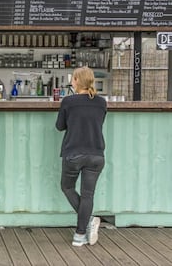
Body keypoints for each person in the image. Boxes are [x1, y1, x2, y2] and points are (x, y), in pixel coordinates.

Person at [55, 66, 107, 247]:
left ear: (78, 80)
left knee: (67, 187)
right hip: (96, 154)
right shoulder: (102, 102)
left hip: (73, 153)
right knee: (88, 195)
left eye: (73, 78)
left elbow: (60, 126)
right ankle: (79, 235)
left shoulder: (68, 101)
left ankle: (89, 220)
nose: (71, 81)